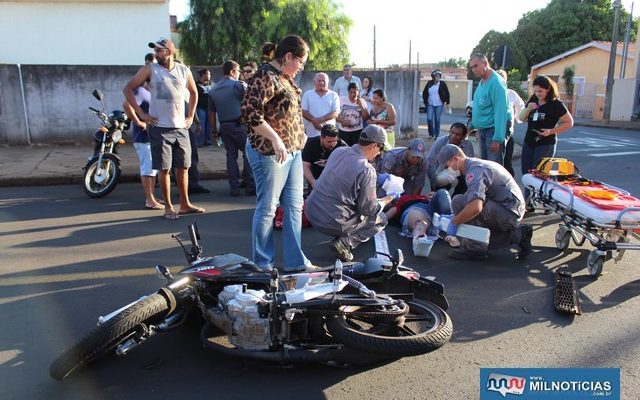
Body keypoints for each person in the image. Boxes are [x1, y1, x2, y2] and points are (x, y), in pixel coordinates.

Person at [241, 35, 318, 273]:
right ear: (288, 57)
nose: (302, 67)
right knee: (268, 208)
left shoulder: (284, 78)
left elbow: (291, 114)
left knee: (294, 207)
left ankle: (296, 262)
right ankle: (263, 264)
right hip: (270, 153)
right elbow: (250, 114)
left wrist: (301, 136)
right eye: (301, 62)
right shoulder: (264, 76)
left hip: (293, 151)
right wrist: (275, 139)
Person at [123, 37, 204, 220]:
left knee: (183, 167)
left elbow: (193, 92)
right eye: (156, 50)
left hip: (180, 128)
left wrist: (190, 116)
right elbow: (128, 89)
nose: (156, 53)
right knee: (164, 169)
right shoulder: (150, 69)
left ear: (170, 51)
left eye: (160, 50)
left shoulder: (183, 70)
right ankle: (168, 206)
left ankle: (184, 204)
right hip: (159, 128)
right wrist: (141, 115)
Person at [305, 125, 394, 262]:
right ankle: (346, 242)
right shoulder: (366, 169)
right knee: (382, 218)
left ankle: (344, 234)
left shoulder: (338, 151)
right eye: (380, 149)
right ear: (374, 146)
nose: (378, 154)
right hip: (331, 221)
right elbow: (368, 209)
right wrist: (387, 199)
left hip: (311, 210)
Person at [435, 144, 532, 261]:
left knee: (459, 202)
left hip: (509, 212)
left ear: (456, 159)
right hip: (509, 208)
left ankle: (474, 249)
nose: (447, 171)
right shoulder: (474, 165)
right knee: (483, 236)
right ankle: (520, 235)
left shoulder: (475, 171)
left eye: (447, 167)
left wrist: (455, 222)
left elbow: (476, 207)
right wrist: (456, 217)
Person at [518, 75, 574, 207]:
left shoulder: (556, 104)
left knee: (539, 175)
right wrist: (529, 108)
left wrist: (550, 131)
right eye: (536, 91)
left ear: (548, 89)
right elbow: (521, 118)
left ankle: (544, 201)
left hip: (545, 144)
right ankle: (528, 202)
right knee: (527, 173)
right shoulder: (534, 100)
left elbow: (569, 122)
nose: (538, 94)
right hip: (529, 141)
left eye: (541, 91)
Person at [122, 52, 164, 210]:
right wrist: (139, 121)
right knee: (148, 169)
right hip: (143, 137)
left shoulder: (151, 91)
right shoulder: (139, 90)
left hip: (152, 136)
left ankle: (152, 197)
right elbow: (126, 106)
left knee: (153, 169)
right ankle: (149, 199)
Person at [209, 60, 255, 196]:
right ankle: (250, 185)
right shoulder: (238, 85)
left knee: (231, 156)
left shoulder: (213, 89)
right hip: (240, 125)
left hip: (224, 126)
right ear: (232, 71)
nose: (240, 73)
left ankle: (234, 187)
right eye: (238, 71)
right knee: (248, 155)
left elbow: (212, 113)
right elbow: (250, 102)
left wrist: (214, 131)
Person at [468, 53, 511, 165]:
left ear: (485, 63)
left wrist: (497, 138)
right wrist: (472, 125)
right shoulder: (483, 81)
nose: (473, 69)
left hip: (493, 131)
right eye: (471, 67)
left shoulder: (496, 82)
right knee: (485, 167)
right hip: (483, 129)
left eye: (475, 66)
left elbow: (501, 111)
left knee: (493, 169)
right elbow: (481, 107)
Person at [384, 189, 460, 247]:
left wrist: (432, 197)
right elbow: (386, 216)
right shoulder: (402, 200)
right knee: (420, 223)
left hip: (433, 213)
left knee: (442, 193)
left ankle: (448, 225)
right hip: (417, 211)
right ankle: (420, 240)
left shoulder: (423, 197)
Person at [426, 122, 474, 194]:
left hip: (459, 172)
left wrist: (453, 174)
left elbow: (468, 167)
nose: (453, 136)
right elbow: (431, 162)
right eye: (452, 132)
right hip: (442, 171)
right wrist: (434, 180)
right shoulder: (440, 141)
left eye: (457, 134)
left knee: (465, 180)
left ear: (463, 136)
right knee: (438, 189)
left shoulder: (468, 145)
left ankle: (456, 201)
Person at [302, 124, 347, 195]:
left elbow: (347, 168)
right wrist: (313, 182)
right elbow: (305, 166)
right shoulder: (311, 144)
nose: (332, 144)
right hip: (315, 181)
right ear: (321, 138)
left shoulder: (343, 147)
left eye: (334, 141)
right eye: (329, 141)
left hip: (335, 184)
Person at [496, 69, 525, 178]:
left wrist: (518, 118)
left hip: (508, 133)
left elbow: (520, 106)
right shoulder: (490, 93)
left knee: (507, 161)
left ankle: (509, 187)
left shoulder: (511, 94)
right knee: (494, 162)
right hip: (492, 132)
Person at [301, 72, 340, 138]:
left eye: (323, 81)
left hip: (329, 134)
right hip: (311, 133)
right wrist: (314, 121)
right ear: (314, 82)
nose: (321, 83)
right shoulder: (308, 94)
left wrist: (320, 120)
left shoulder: (334, 95)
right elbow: (303, 111)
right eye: (319, 81)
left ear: (328, 82)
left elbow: (335, 112)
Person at [422, 69, 450, 139]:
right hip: (430, 104)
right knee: (429, 119)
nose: (437, 77)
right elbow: (424, 93)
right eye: (436, 76)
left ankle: (436, 135)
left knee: (437, 120)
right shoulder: (429, 83)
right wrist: (426, 101)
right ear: (433, 77)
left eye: (439, 76)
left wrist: (447, 102)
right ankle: (431, 134)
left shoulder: (442, 84)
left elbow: (447, 93)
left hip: (439, 104)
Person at [195, 68, 213, 147]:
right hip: (200, 108)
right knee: (201, 125)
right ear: (203, 75)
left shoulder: (212, 84)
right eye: (208, 74)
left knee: (209, 125)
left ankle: (208, 141)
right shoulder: (196, 85)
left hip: (210, 108)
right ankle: (199, 142)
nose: (210, 76)